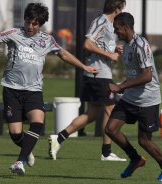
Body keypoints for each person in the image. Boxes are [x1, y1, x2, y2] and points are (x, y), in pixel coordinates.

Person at [0, 3, 97, 175]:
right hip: (11, 89)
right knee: (15, 133)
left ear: (40, 24)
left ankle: (19, 162)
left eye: (35, 23)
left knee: (38, 122)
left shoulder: (47, 40)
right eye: (28, 22)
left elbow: (64, 54)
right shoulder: (14, 33)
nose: (30, 26)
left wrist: (84, 67)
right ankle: (27, 151)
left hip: (33, 90)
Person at [49, 0, 126, 161]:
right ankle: (106, 152)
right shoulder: (101, 21)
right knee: (110, 110)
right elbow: (87, 44)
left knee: (91, 114)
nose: (123, 11)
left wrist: (114, 49)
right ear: (117, 9)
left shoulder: (110, 25)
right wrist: (109, 55)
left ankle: (59, 138)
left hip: (100, 74)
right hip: (99, 75)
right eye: (122, 8)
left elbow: (99, 46)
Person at [105, 12, 162, 181]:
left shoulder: (141, 45)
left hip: (147, 100)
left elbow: (146, 76)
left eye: (117, 29)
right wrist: (122, 87)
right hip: (130, 97)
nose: (116, 32)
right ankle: (135, 159)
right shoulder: (127, 46)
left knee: (144, 141)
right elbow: (134, 75)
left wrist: (120, 86)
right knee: (110, 129)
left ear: (126, 27)